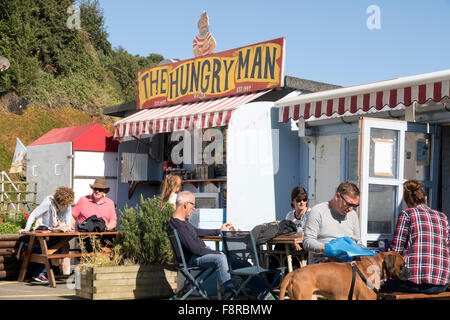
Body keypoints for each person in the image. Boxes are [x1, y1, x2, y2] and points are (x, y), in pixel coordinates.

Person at [168, 191, 275, 300]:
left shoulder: (181, 222)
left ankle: (265, 296)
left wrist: (219, 231)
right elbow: (196, 249)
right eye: (193, 205)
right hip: (193, 258)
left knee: (242, 263)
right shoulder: (178, 225)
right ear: (186, 204)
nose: (194, 208)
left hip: (201, 254)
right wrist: (216, 253)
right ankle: (230, 295)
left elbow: (197, 231)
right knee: (220, 258)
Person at [381, 180, 450, 294]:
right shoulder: (443, 217)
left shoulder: (407, 214)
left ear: (407, 203)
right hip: (441, 284)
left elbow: (395, 252)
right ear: (425, 199)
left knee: (377, 286)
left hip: (413, 283)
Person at [18, 186, 75, 283]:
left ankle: (39, 273)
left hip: (56, 231)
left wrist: (68, 228)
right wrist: (27, 228)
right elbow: (33, 214)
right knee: (51, 251)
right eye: (63, 204)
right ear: (59, 200)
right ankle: (27, 248)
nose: (65, 206)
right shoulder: (48, 203)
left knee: (55, 250)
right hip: (45, 230)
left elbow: (67, 216)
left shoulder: (67, 204)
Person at [303, 181, 361, 264]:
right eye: (348, 204)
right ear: (337, 196)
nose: (351, 209)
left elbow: (359, 242)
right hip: (323, 263)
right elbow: (307, 242)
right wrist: (329, 248)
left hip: (347, 264)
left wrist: (358, 246)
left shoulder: (353, 215)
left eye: (355, 206)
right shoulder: (318, 211)